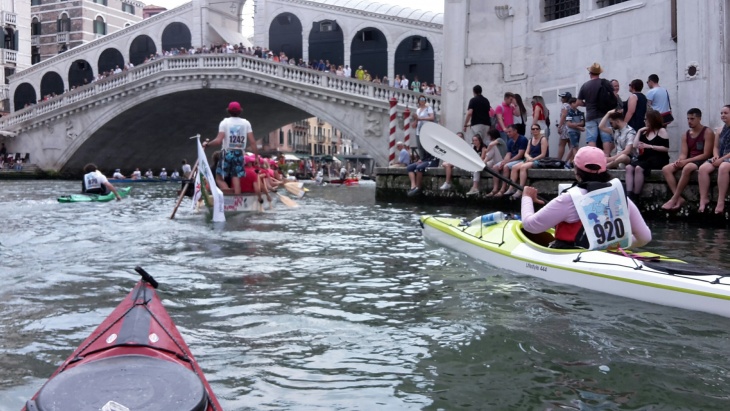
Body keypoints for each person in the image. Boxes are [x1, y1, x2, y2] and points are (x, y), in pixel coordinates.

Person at [521, 146, 651, 250]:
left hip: (571, 256)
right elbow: (644, 237)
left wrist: (527, 197)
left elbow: (530, 226)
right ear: (604, 169)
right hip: (609, 256)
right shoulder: (620, 198)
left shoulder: (569, 199)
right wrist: (612, 247)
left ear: (576, 171)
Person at [661, 108, 714, 210]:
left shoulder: (707, 132)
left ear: (699, 119)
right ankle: (679, 198)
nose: (689, 121)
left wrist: (686, 161)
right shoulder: (685, 134)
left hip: (700, 160)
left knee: (687, 168)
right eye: (688, 119)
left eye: (692, 119)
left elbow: (706, 154)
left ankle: (674, 198)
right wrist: (680, 160)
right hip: (689, 159)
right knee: (666, 169)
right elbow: (683, 154)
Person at [203, 101, 260, 195]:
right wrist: (256, 157)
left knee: (219, 178)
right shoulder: (246, 123)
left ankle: (227, 195)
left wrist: (207, 144)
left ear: (228, 111)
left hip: (227, 153)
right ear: (240, 111)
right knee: (236, 177)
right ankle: (237, 199)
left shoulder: (224, 122)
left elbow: (218, 141)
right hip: (239, 153)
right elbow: (253, 142)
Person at [625, 109, 670, 200]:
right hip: (645, 158)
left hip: (658, 158)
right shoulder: (646, 132)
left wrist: (649, 146)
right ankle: (629, 194)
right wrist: (639, 132)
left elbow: (666, 148)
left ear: (652, 120)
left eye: (646, 119)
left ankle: (636, 194)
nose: (644, 121)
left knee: (638, 168)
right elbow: (634, 145)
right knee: (628, 167)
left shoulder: (661, 131)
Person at [698, 105, 730, 214]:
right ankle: (703, 198)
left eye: (726, 113)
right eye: (721, 113)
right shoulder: (720, 130)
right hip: (720, 156)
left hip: (728, 158)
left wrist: (722, 160)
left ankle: (720, 201)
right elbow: (715, 147)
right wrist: (716, 156)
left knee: (723, 167)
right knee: (703, 168)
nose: (723, 115)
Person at [577, 62, 614, 156]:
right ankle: (606, 158)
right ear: (599, 73)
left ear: (590, 73)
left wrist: (588, 104)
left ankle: (593, 158)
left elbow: (578, 102)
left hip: (590, 115)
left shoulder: (585, 85)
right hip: (604, 114)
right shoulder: (605, 83)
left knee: (591, 138)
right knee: (606, 137)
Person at [505, 123, 548, 199]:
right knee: (514, 167)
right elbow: (526, 153)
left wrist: (532, 159)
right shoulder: (530, 140)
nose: (535, 130)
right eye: (533, 129)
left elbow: (543, 154)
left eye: (537, 129)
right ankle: (511, 188)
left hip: (539, 160)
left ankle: (520, 189)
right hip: (529, 159)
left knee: (523, 167)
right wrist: (528, 157)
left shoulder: (543, 139)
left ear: (539, 130)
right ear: (531, 131)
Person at [491, 125, 527, 197]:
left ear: (515, 131)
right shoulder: (510, 141)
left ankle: (503, 189)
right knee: (495, 167)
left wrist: (507, 162)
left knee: (506, 166)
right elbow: (508, 153)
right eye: (507, 132)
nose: (508, 134)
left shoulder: (523, 139)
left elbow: (520, 155)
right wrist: (503, 161)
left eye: (509, 132)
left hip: (519, 160)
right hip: (511, 160)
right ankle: (495, 189)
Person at [564, 98, 585, 168]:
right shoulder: (569, 112)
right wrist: (578, 126)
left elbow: (583, 123)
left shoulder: (579, 112)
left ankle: (566, 162)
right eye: (575, 102)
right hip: (572, 131)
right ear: (571, 104)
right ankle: (576, 163)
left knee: (573, 146)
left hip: (577, 131)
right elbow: (569, 124)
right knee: (575, 146)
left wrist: (575, 125)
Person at [413, 95, 435, 160]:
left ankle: (428, 160)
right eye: (421, 99)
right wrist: (415, 121)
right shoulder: (418, 110)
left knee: (426, 146)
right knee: (419, 146)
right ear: (419, 101)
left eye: (423, 99)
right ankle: (422, 159)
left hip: (425, 130)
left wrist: (421, 118)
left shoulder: (428, 108)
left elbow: (432, 117)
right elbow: (417, 119)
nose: (422, 101)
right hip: (418, 130)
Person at [557, 92, 572, 162]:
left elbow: (563, 116)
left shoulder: (565, 105)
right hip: (572, 126)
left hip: (565, 126)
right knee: (571, 145)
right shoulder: (571, 105)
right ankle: (572, 161)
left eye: (563, 97)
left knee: (561, 144)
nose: (561, 99)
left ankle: (558, 160)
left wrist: (559, 126)